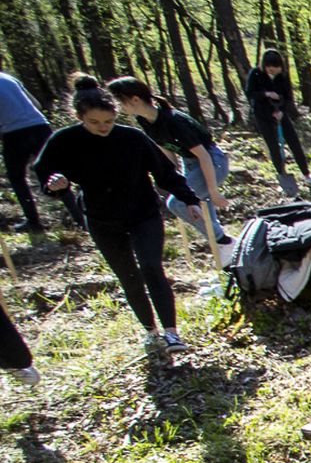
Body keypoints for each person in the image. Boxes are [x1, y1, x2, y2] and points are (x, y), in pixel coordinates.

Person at [34, 85, 204, 352]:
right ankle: (151, 331)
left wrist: (189, 199)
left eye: (109, 121)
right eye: (94, 122)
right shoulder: (64, 140)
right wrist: (56, 185)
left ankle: (172, 333)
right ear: (80, 117)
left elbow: (164, 172)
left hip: (143, 213)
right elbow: (45, 173)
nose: (103, 127)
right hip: (101, 219)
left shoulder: (132, 138)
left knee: (151, 267)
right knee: (128, 276)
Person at [106, 77, 231, 249]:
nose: (118, 107)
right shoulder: (144, 120)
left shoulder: (174, 121)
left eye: (119, 101)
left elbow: (204, 156)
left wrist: (213, 191)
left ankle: (222, 241)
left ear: (135, 99)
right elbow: (167, 152)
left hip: (212, 161)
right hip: (189, 162)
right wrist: (174, 180)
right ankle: (222, 244)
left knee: (177, 203)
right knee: (194, 203)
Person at [246, 49, 311, 197]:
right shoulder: (255, 74)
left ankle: (307, 174)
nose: (273, 70)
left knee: (294, 143)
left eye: (276, 67)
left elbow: (288, 97)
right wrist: (266, 94)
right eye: (269, 67)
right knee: (273, 146)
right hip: (263, 115)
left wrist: (281, 111)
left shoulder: (283, 77)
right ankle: (282, 174)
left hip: (280, 114)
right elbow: (250, 93)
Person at [0, 70, 62, 234]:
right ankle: (79, 217)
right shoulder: (10, 78)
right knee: (55, 172)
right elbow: (36, 104)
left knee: (17, 177)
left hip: (14, 133)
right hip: (41, 127)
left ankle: (33, 222)